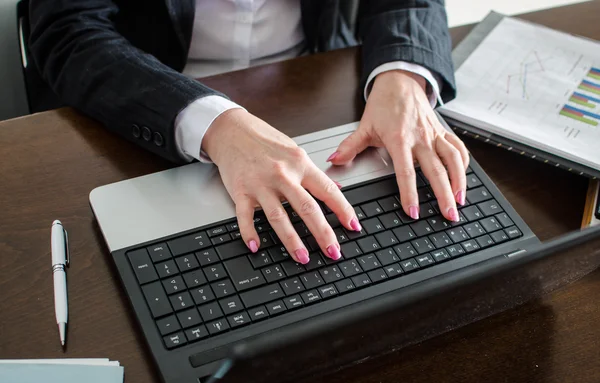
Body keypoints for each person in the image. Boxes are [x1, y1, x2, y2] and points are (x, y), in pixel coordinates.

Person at [28, 0, 468, 266]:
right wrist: (214, 123)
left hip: (317, 85)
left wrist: (403, 77)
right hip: (148, 100)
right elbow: (69, 31)